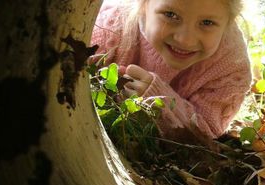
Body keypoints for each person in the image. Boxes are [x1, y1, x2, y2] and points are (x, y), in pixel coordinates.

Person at [91, 0, 252, 145]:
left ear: (230, 20)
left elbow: (208, 137)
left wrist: (160, 103)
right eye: (170, 15)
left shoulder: (231, 66)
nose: (185, 40)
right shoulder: (108, 28)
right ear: (143, 4)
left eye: (207, 22)